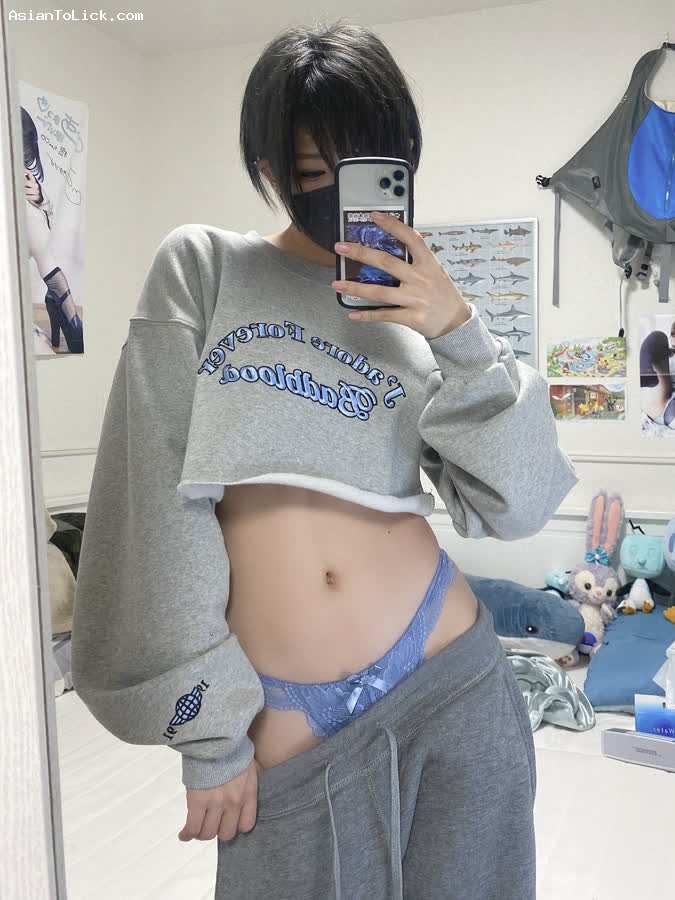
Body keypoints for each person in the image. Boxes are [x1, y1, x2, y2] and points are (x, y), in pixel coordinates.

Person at [70, 21, 578, 900]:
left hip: (450, 680)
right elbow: (154, 501)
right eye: (314, 171)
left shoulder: (420, 316)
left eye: (369, 164)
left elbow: (515, 505)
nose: (342, 191)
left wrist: (459, 332)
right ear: (267, 169)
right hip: (284, 711)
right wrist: (210, 734)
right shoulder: (204, 268)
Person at [640, 319, 675, 429]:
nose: (673, 337)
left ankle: (646, 374)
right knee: (658, 336)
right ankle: (646, 373)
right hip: (660, 405)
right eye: (673, 334)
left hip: (665, 409)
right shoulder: (665, 353)